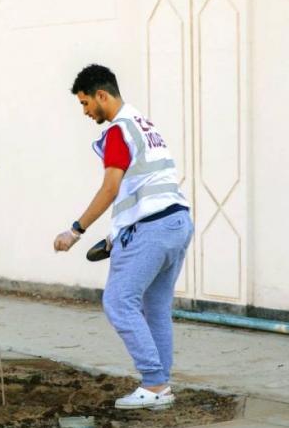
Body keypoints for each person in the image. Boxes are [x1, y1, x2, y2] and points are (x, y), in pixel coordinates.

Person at [53, 64, 194, 410]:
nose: (85, 111)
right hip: (178, 223)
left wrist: (75, 230)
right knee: (156, 307)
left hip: (152, 230)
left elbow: (111, 188)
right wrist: (116, 235)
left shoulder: (118, 132)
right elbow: (142, 187)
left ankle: (154, 382)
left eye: (85, 103)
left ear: (102, 95)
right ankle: (160, 386)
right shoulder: (144, 126)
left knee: (118, 302)